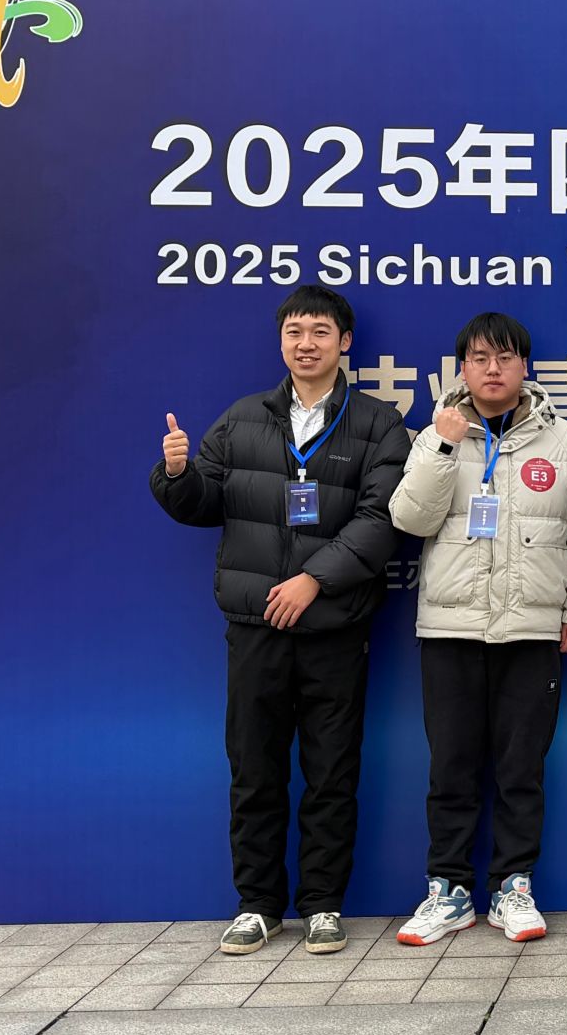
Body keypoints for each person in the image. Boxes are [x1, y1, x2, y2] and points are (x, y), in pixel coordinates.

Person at [150, 285, 411, 956]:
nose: (306, 344)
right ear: (281, 342)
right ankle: (258, 905)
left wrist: (313, 580)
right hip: (255, 625)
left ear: (344, 342)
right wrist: (176, 476)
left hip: (335, 627)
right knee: (254, 770)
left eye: (320, 331)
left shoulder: (378, 423)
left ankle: (322, 904)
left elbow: (382, 519)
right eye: (294, 331)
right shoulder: (243, 419)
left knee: (332, 772)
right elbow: (203, 503)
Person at [387, 312, 567, 947]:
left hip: (531, 631)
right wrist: (443, 446)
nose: (492, 369)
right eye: (480, 358)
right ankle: (448, 891)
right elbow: (409, 519)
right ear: (462, 367)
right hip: (451, 628)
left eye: (505, 358)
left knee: (521, 769)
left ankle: (514, 886)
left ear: (524, 367)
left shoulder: (563, 441)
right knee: (451, 767)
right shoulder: (437, 432)